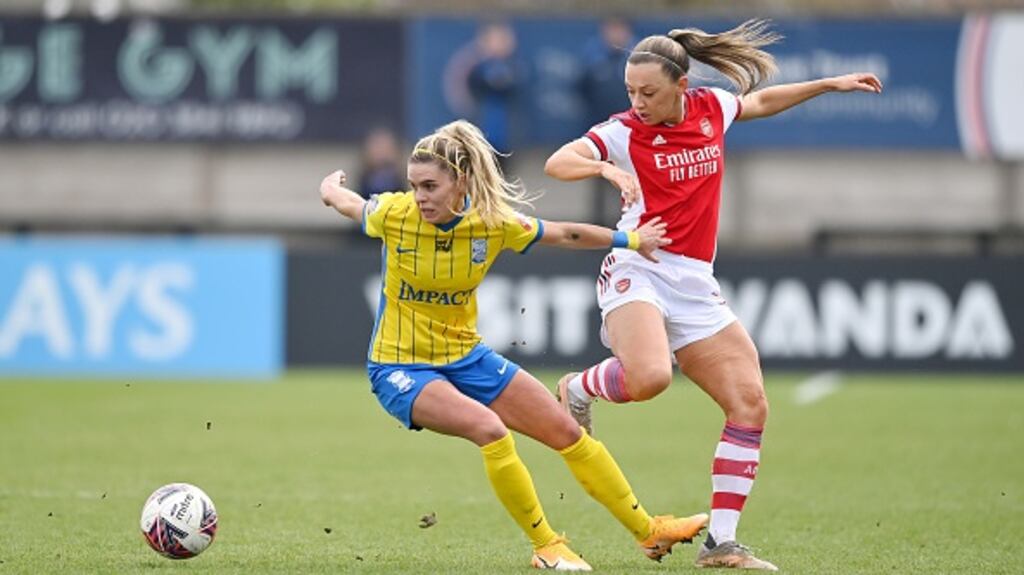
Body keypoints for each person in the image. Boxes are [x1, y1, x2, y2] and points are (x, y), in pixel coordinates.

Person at [544, 19, 883, 571]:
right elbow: (557, 162)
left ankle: (720, 543)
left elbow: (762, 100)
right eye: (631, 91)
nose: (638, 101)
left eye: (649, 92)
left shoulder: (711, 108)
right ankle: (577, 387)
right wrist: (606, 168)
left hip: (694, 282)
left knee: (750, 404)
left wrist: (826, 84)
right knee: (650, 378)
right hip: (640, 266)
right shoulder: (623, 131)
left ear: (681, 85)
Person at [319, 119, 708, 571]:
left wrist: (632, 239)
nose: (421, 197)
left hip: (466, 356)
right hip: (399, 367)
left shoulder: (492, 224)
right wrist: (330, 187)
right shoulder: (394, 214)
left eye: (430, 186)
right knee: (490, 430)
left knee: (566, 432)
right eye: (414, 185)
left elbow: (563, 233)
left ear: (461, 181)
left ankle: (648, 532)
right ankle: (546, 545)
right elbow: (347, 203)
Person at [357, 127, 405, 199]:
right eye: (377, 146)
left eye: (386, 147)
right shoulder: (364, 181)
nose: (381, 152)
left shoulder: (401, 182)